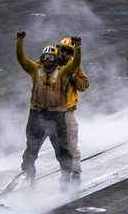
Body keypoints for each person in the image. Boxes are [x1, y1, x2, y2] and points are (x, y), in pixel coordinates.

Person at [15, 32, 81, 183]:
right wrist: (19, 42)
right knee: (31, 144)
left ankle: (66, 172)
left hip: (56, 115)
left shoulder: (63, 73)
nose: (47, 61)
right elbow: (21, 59)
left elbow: (75, 63)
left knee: (61, 147)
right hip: (36, 114)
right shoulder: (35, 70)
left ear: (57, 59)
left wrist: (77, 47)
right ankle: (28, 170)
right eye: (45, 58)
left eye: (51, 58)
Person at [58, 36, 88, 179]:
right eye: (62, 50)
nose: (64, 53)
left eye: (68, 51)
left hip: (68, 110)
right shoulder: (50, 63)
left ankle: (75, 170)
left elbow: (84, 84)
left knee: (71, 140)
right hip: (51, 111)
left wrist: (74, 80)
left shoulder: (75, 66)